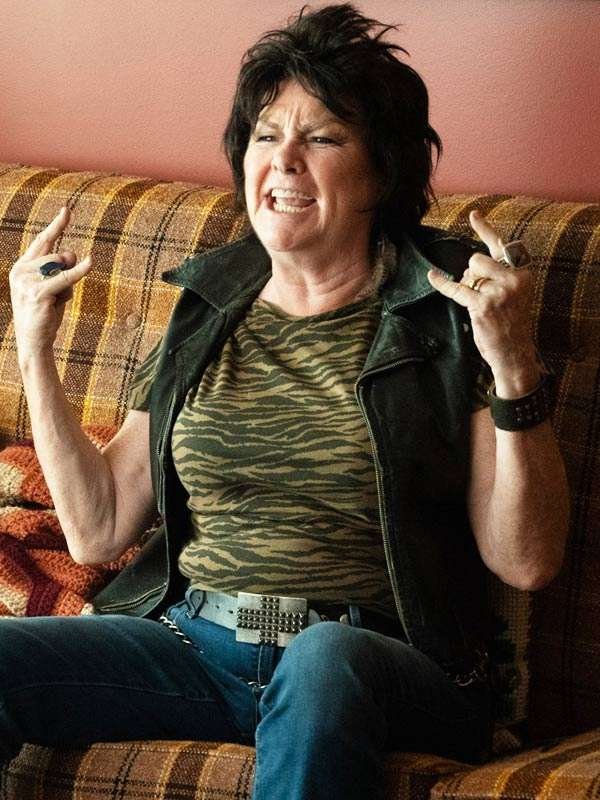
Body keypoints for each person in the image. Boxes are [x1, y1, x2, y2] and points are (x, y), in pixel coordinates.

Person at [4, 4, 569, 799]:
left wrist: (512, 364)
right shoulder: (205, 310)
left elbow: (527, 560)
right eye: (266, 136)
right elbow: (98, 532)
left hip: (376, 662)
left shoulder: (447, 311)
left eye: (323, 139)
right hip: (196, 647)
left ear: (383, 173)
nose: (285, 161)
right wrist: (34, 345)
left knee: (323, 658)